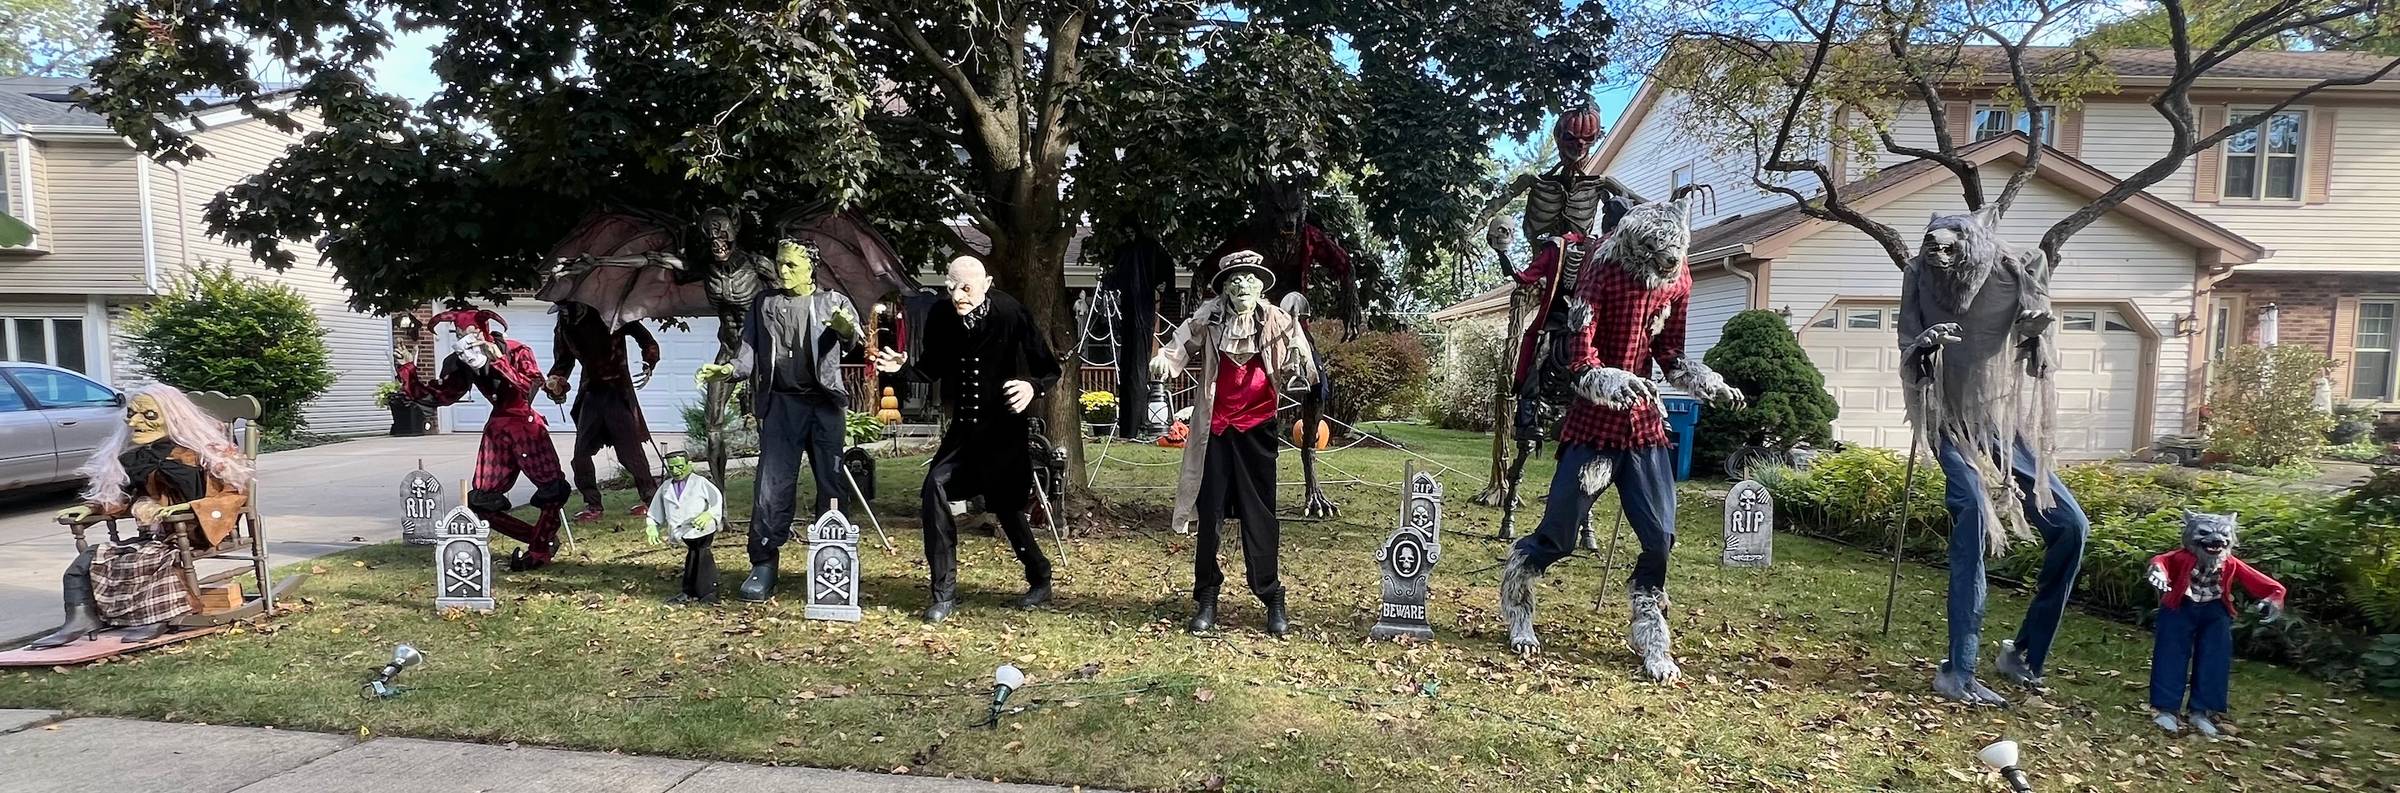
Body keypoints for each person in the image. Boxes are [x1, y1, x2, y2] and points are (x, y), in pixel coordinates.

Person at [1495, 191, 1743, 681]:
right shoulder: (1601, 271)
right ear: (1636, 247)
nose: (1668, 266)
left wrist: (1707, 381)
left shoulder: (1678, 278)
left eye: (1675, 258)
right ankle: (1518, 596)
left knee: (1659, 536)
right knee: (1559, 535)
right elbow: (1579, 360)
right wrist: (1610, 380)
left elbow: (1671, 356)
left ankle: (1650, 632)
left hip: (1644, 429)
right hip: (1594, 426)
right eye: (1658, 257)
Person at [873, 255, 1062, 623]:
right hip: (963, 432)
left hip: (1004, 432)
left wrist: (1031, 387)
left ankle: (1040, 576)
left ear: (986, 284)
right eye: (951, 287)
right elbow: (931, 367)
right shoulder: (942, 316)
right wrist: (903, 367)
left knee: (1007, 508)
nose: (957, 295)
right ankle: (943, 592)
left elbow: (1048, 370)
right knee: (934, 489)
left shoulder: (1011, 314)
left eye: (966, 288)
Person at [1150, 251, 1319, 636]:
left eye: (1250, 279)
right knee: (1209, 515)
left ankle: (1271, 593)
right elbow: (1180, 343)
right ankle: (1207, 595)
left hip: (1258, 428)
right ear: (1225, 287)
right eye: (1235, 280)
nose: (1242, 285)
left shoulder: (1279, 319)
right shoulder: (1210, 316)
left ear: (1261, 286)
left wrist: (1298, 356)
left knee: (1260, 515)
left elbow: (1304, 370)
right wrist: (1166, 360)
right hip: (1216, 427)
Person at [29, 384, 253, 648]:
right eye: (132, 414)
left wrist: (188, 509)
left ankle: (155, 616)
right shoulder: (139, 457)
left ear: (173, 417)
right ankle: (81, 618)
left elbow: (232, 495)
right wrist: (93, 507)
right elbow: (127, 497)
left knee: (151, 557)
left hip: (195, 530)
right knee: (88, 559)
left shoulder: (207, 455)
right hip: (156, 532)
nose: (135, 422)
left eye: (148, 415)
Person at [699, 239, 862, 601]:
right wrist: (727, 370)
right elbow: (749, 351)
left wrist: (844, 328)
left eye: (791, 265)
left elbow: (855, 340)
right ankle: (764, 563)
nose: (782, 272)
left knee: (831, 483)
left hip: (824, 406)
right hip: (781, 405)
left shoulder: (832, 301)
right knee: (771, 487)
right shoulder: (765, 303)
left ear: (811, 268)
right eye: (780, 264)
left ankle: (834, 561)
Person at [403, 308, 571, 570]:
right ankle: (540, 541)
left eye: (468, 332)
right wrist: (407, 371)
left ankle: (539, 549)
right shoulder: (462, 362)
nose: (463, 338)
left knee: (552, 492)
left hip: (526, 427)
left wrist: (499, 361)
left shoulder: (516, 350)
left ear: (482, 330)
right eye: (458, 333)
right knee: (481, 502)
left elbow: (529, 386)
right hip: (497, 431)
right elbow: (441, 397)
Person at [2146, 511, 2285, 737]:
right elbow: (2161, 561)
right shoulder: (2182, 557)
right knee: (2171, 653)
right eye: (2204, 533)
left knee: (2215, 658)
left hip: (2216, 611)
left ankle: (2202, 711)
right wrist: (2158, 571)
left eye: (2223, 534)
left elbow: (2262, 582)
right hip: (2179, 607)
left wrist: (2274, 596)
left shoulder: (2230, 563)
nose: (2216, 541)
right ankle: (2166, 710)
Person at [545, 301, 662, 523]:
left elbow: (645, 338)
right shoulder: (563, 324)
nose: (566, 312)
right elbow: (563, 361)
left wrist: (649, 359)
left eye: (568, 306)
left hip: (617, 391)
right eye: (562, 309)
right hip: (591, 392)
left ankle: (651, 499)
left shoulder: (610, 312)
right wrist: (556, 381)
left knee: (630, 453)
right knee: (580, 455)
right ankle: (593, 505)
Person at [646, 451, 726, 604]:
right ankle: (689, 591)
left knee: (702, 557)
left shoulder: (700, 483)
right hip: (682, 531)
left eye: (680, 466)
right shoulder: (666, 487)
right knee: (692, 557)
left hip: (701, 529)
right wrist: (652, 525)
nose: (676, 471)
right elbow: (657, 507)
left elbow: (717, 500)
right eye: (672, 468)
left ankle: (708, 592)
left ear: (690, 465)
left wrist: (709, 514)